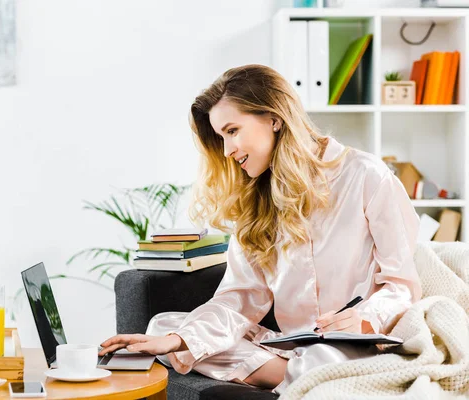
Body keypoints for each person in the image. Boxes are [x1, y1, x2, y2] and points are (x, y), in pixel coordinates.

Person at [99, 64, 422, 391]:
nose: (227, 151)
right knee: (162, 328)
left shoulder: (366, 176)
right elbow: (239, 299)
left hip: (356, 346)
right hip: (291, 347)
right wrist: (177, 339)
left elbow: (402, 285)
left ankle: (300, 375)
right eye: (221, 137)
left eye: (232, 131)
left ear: (273, 118)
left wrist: (366, 316)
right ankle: (297, 377)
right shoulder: (255, 201)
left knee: (327, 356)